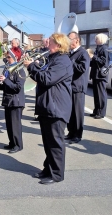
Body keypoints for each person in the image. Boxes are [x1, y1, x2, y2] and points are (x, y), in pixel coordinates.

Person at [24, 33, 73, 185]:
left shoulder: (62, 61)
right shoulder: (54, 59)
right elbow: (43, 74)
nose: (47, 45)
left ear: (58, 45)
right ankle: (48, 169)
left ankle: (57, 174)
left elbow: (46, 79)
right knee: (48, 142)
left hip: (56, 108)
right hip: (48, 107)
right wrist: (35, 66)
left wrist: (31, 66)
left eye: (50, 42)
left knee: (55, 143)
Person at [0, 49, 25, 153]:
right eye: (6, 57)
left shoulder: (19, 70)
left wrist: (5, 80)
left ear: (15, 58)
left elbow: (17, 87)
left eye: (9, 57)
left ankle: (18, 145)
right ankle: (12, 143)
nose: (6, 59)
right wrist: (0, 84)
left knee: (15, 125)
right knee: (9, 124)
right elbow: (5, 86)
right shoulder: (7, 69)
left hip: (16, 101)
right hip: (8, 100)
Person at [65, 32, 90, 144]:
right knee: (70, 112)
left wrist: (72, 63)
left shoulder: (83, 53)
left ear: (77, 40)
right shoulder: (71, 53)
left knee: (77, 112)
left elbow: (83, 68)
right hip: (70, 86)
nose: (68, 41)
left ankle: (77, 135)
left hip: (78, 87)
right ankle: (71, 132)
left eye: (70, 39)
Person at [90, 33, 109, 119]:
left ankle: (101, 112)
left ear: (101, 40)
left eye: (96, 39)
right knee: (96, 94)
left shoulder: (104, 49)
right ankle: (96, 110)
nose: (95, 40)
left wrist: (93, 57)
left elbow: (103, 62)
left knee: (101, 94)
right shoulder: (98, 49)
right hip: (96, 74)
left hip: (100, 75)